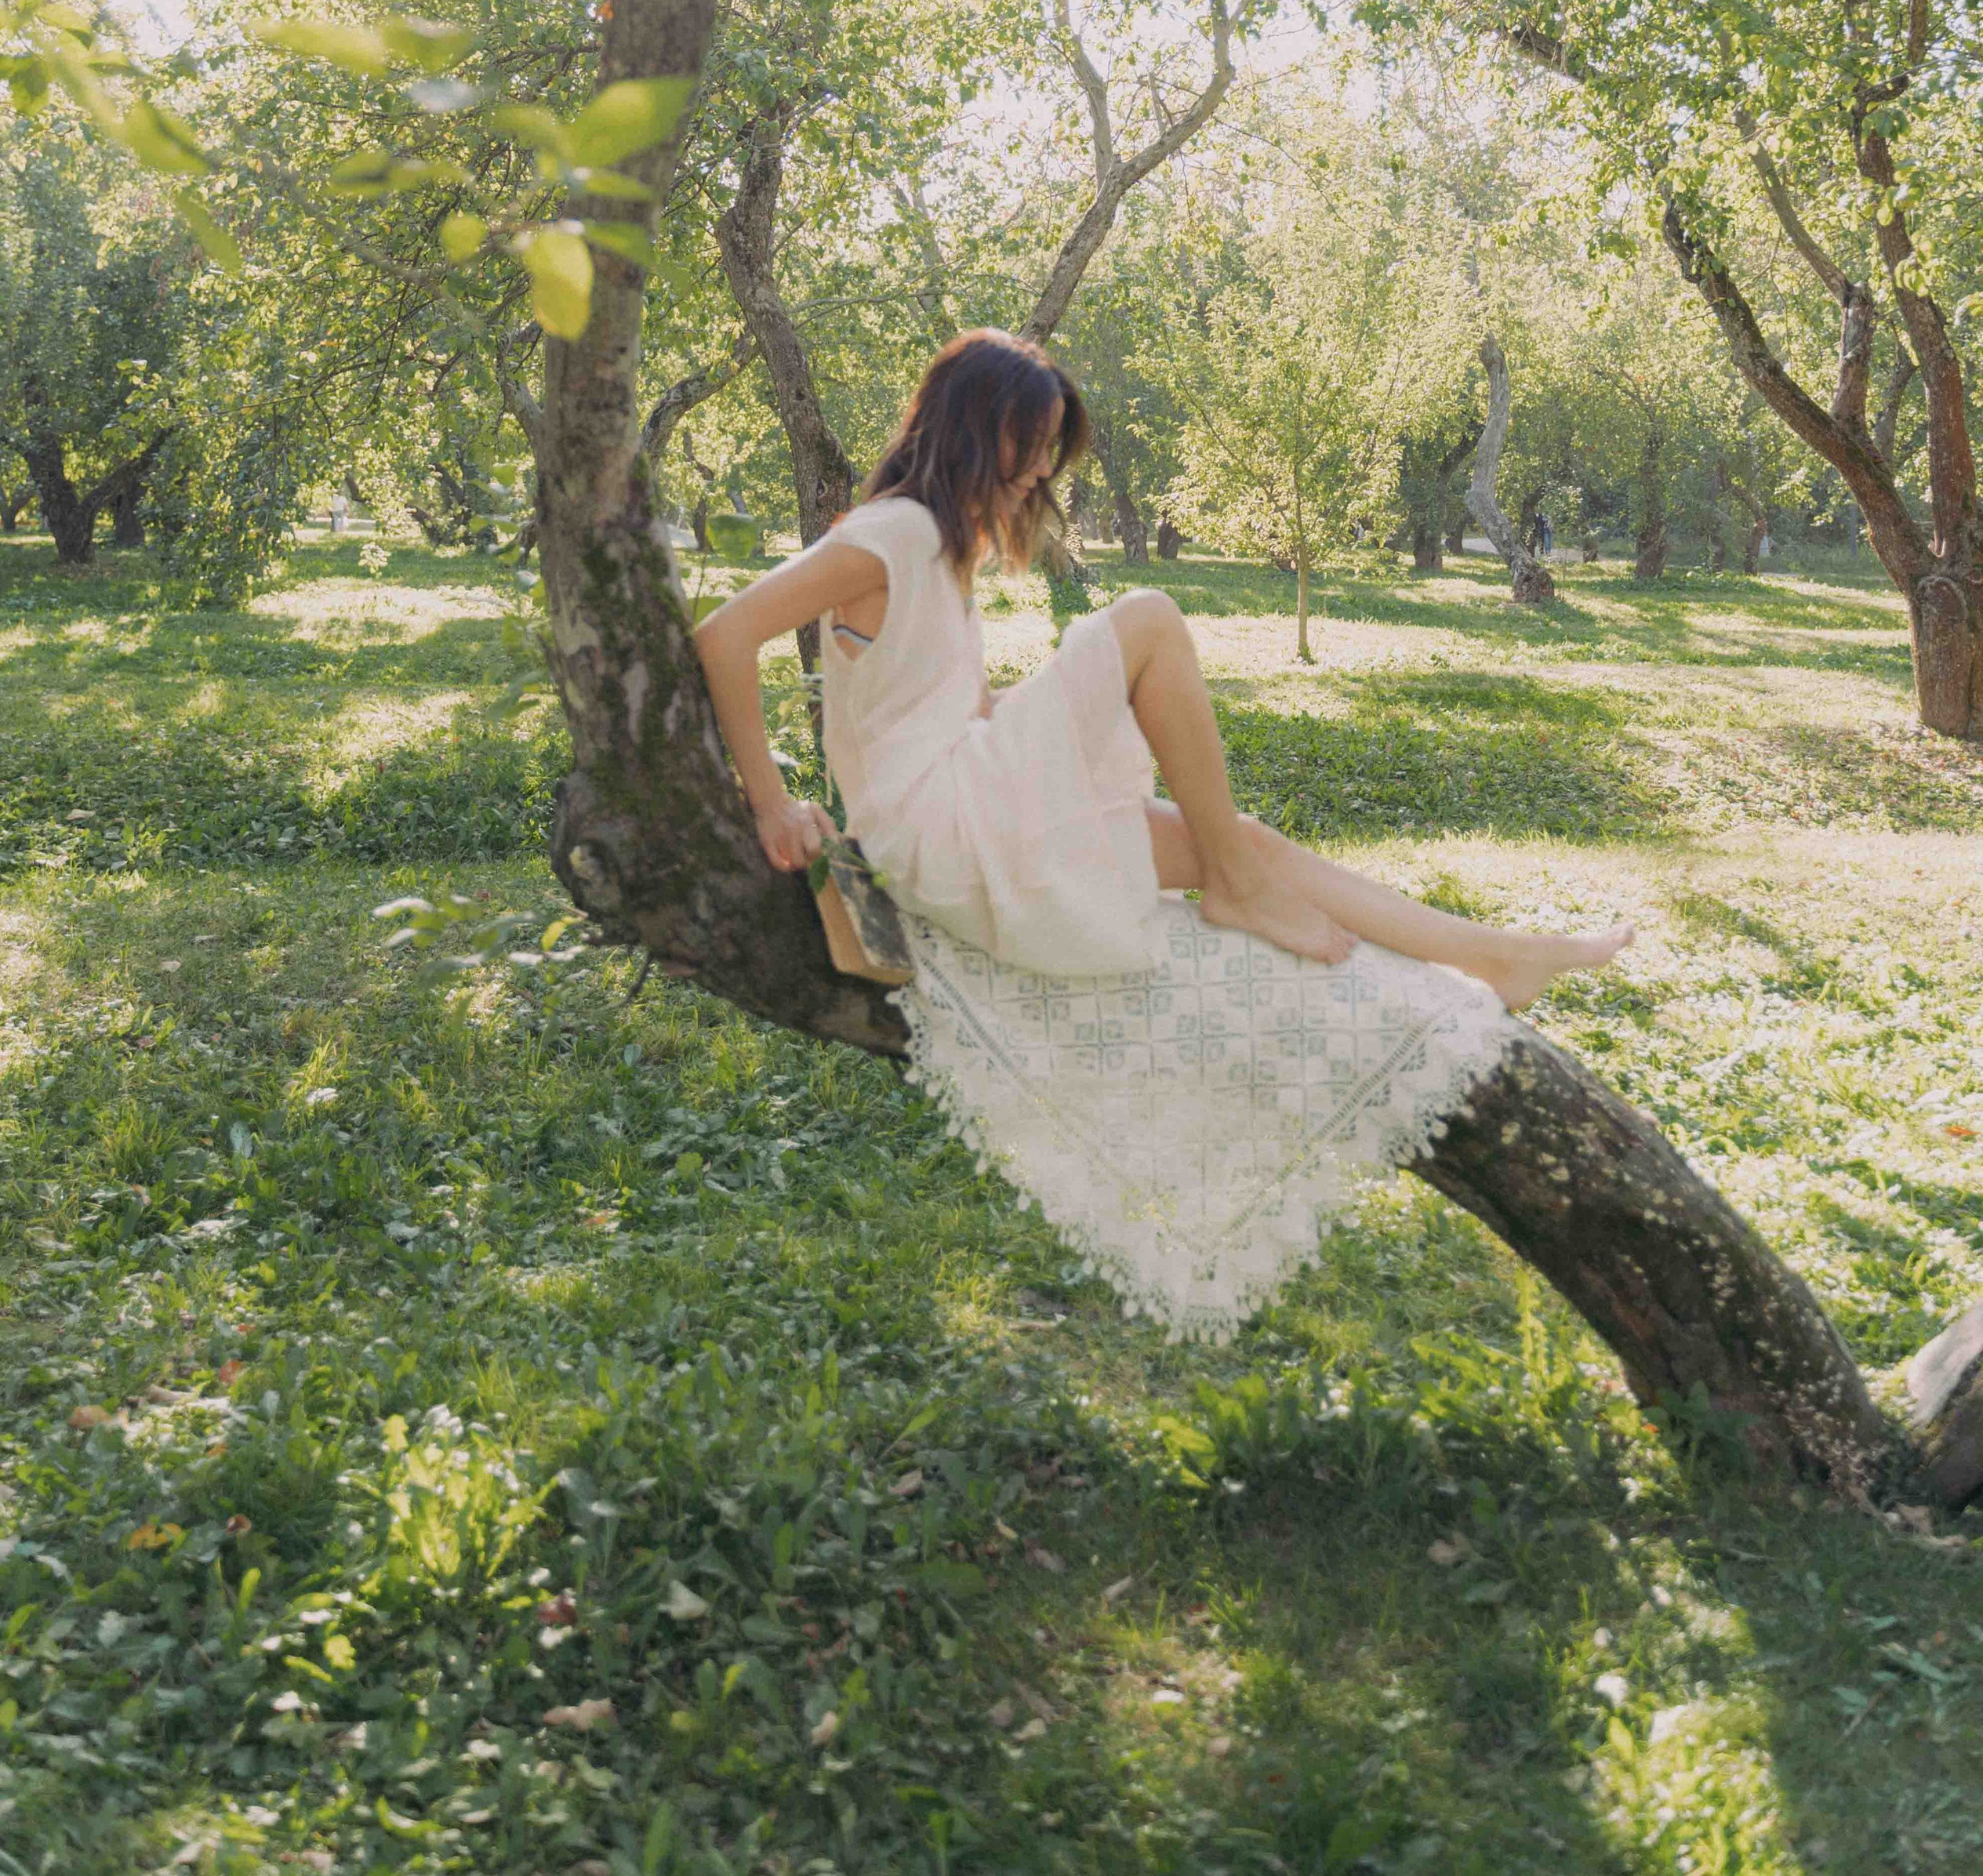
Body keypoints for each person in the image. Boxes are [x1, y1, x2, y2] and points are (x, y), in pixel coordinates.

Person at [696, 329, 1633, 1334]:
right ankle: (1236, 882)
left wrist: (1053, 712)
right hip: (931, 825)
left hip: (957, 803)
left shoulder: (941, 548)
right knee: (1145, 618)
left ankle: (1493, 956)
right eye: (1033, 440)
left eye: (1054, 445)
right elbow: (723, 635)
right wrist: (771, 801)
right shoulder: (893, 533)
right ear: (976, 428)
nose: (1044, 467)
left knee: (1239, 835)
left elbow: (931, 709)